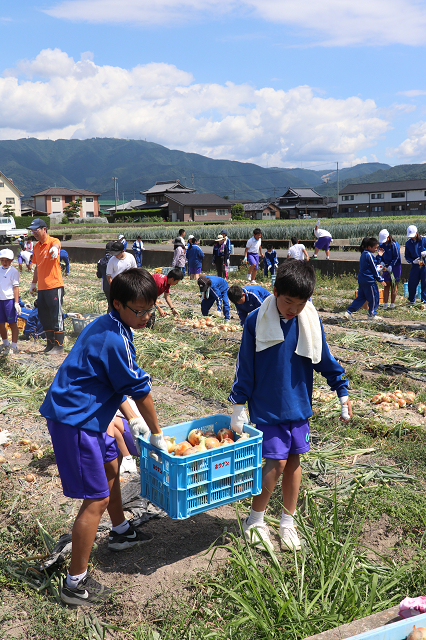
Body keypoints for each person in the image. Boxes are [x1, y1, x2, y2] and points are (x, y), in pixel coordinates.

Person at [39, 269, 168, 606]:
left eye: (149, 309)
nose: (145, 317)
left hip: (91, 415)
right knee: (94, 499)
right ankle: (74, 584)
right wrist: (155, 432)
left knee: (112, 468)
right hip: (76, 421)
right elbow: (140, 390)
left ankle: (121, 532)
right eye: (138, 311)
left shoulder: (113, 325)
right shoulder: (114, 338)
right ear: (118, 304)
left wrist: (128, 419)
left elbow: (116, 385)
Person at [228, 260, 351, 552]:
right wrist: (238, 403)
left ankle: (287, 521)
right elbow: (245, 366)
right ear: (275, 291)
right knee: (276, 462)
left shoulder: (308, 320)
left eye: (300, 302)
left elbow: (323, 358)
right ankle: (255, 519)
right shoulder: (256, 320)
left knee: (295, 460)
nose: (292, 309)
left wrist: (341, 390)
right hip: (268, 405)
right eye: (287, 301)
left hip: (298, 403)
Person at [28, 218, 65, 355]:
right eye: (32, 231)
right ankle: (49, 344)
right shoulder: (36, 246)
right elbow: (37, 267)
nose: (34, 233)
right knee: (44, 316)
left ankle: (59, 346)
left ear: (44, 229)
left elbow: (57, 244)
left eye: (36, 230)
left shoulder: (53, 241)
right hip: (42, 288)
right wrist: (33, 283)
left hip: (54, 286)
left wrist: (55, 249)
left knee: (56, 316)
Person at [344, 237, 384, 321]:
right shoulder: (368, 255)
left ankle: (348, 312)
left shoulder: (364, 254)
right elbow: (374, 268)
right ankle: (372, 314)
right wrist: (380, 279)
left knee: (361, 298)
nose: (376, 249)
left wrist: (379, 256)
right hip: (369, 280)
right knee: (374, 296)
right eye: (375, 248)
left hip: (362, 280)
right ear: (369, 247)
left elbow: (374, 262)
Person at [0, 249, 20, 355]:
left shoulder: (13, 272)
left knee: (12, 323)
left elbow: (15, 287)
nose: (4, 262)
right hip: (0, 300)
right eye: (2, 260)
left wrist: (16, 303)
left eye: (6, 260)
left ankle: (14, 346)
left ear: (11, 260)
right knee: (0, 323)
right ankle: (5, 343)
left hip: (9, 300)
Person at [377, 229, 401, 310]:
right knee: (386, 284)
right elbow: (380, 255)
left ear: (388, 237)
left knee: (393, 284)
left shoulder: (394, 244)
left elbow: (396, 256)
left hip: (395, 266)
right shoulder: (381, 245)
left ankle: (392, 304)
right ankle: (385, 303)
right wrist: (382, 263)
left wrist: (391, 265)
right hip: (386, 266)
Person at [405, 225, 426, 305]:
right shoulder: (408, 243)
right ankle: (411, 301)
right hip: (415, 265)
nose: (412, 237)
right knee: (412, 283)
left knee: (425, 283)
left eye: (413, 236)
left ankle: (424, 302)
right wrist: (413, 261)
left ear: (417, 233)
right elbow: (407, 256)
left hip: (424, 265)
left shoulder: (424, 239)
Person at [96, 242, 114, 311]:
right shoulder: (114, 260)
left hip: (105, 286)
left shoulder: (100, 261)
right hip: (114, 285)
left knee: (110, 304)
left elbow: (99, 275)